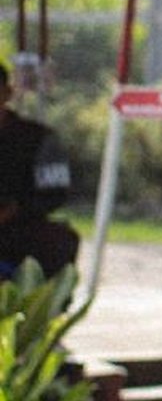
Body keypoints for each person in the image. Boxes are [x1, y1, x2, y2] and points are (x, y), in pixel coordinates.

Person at [0, 61, 79, 281]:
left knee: (57, 242)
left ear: (7, 93)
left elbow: (55, 193)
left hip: (17, 231)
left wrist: (14, 210)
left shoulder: (39, 139)